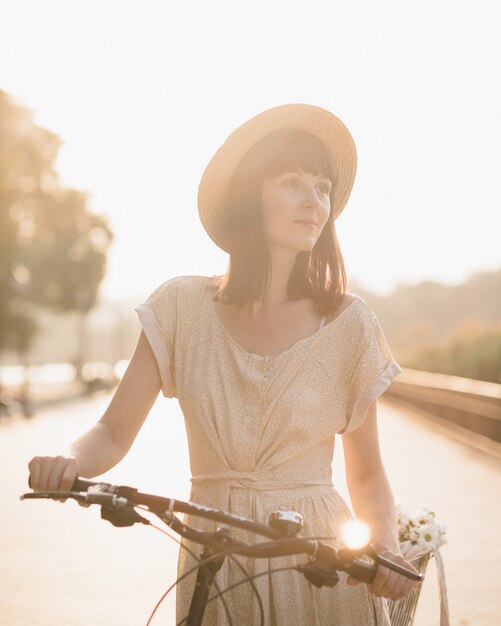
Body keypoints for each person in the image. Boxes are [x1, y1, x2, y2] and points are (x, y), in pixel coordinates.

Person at [28, 103, 418, 625]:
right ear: (248, 197)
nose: (314, 202)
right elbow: (113, 430)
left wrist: (385, 545)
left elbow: (366, 472)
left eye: (322, 187)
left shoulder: (348, 323)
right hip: (212, 548)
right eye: (292, 182)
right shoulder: (180, 310)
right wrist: (69, 461)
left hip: (320, 561)